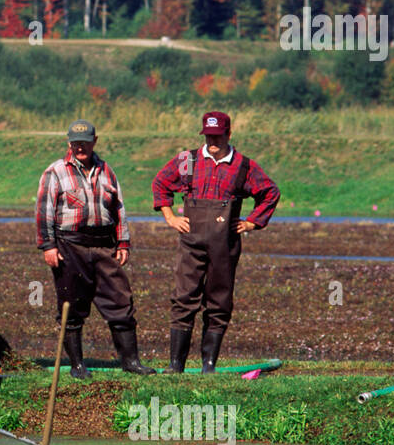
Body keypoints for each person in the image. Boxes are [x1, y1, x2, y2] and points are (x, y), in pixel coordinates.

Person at [151, 111, 280, 373]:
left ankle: (209, 365)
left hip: (225, 245)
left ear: (228, 134)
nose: (212, 141)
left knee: (219, 301)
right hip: (191, 241)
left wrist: (252, 223)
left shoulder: (244, 166)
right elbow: (161, 183)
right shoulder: (188, 160)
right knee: (183, 298)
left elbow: (270, 193)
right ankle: (176, 365)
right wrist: (170, 216)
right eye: (208, 136)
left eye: (217, 136)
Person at [36, 120, 153, 379]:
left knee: (120, 300)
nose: (80, 147)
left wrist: (123, 242)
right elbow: (44, 212)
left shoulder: (107, 170)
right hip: (69, 246)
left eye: (85, 142)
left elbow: (119, 208)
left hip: (104, 245)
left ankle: (131, 362)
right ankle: (77, 365)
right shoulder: (55, 172)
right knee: (72, 305)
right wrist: (48, 246)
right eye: (76, 143)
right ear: (69, 143)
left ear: (94, 141)